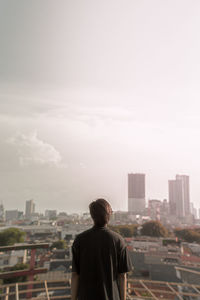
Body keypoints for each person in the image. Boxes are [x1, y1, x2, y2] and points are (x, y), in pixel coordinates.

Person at [71, 198, 132, 300]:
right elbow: (122, 276)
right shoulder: (118, 240)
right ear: (108, 215)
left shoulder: (80, 240)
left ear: (92, 216)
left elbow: (75, 275)